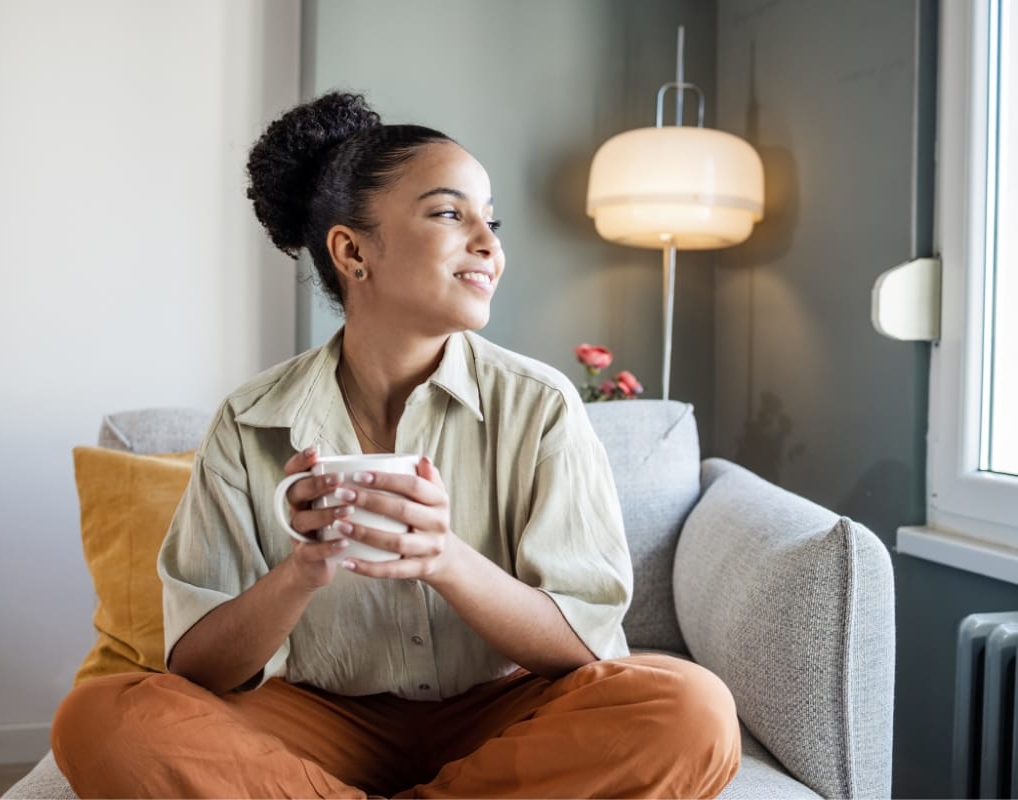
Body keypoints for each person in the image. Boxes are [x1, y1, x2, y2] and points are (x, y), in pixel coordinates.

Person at [51, 91, 740, 799]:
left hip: (503, 717)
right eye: (450, 213)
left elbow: (583, 646)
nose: (489, 243)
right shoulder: (248, 420)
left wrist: (446, 559)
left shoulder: (541, 406)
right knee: (103, 718)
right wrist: (301, 571)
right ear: (351, 250)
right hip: (316, 718)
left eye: (491, 219)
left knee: (691, 710)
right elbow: (197, 669)